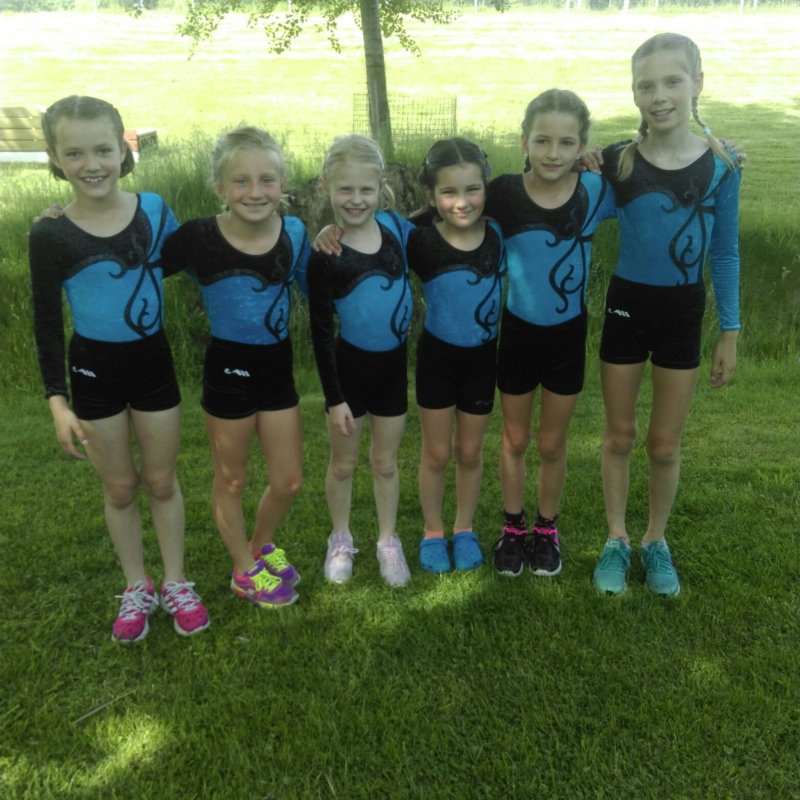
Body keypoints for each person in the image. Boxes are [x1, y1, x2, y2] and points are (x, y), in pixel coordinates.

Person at [28, 96, 209, 642]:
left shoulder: (153, 209)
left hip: (153, 366)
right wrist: (57, 402)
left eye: (103, 150)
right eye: (74, 153)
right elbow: (45, 322)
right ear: (55, 158)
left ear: (123, 148)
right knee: (121, 489)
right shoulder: (50, 234)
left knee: (161, 481)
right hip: (93, 375)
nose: (92, 165)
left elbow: (188, 258)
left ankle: (175, 581)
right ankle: (136, 585)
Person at [590, 33, 741, 596]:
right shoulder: (618, 162)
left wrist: (730, 330)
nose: (659, 96)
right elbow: (573, 211)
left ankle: (656, 540)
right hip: (627, 307)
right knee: (620, 434)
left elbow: (725, 252)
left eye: (672, 82)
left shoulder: (722, 167)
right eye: (646, 85)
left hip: (683, 313)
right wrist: (580, 163)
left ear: (696, 83)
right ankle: (616, 538)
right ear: (634, 93)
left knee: (663, 444)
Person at [161, 127, 309, 609]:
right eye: (240, 181)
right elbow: (138, 260)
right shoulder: (198, 237)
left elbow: (320, 284)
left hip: (277, 371)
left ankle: (259, 546)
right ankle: (244, 572)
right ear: (220, 187)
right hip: (228, 371)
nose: (254, 192)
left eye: (266, 180)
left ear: (282, 184)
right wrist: (65, 223)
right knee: (232, 479)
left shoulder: (294, 233)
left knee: (288, 480)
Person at [487, 89, 616, 579]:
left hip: (567, 337)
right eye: (542, 140)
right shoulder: (502, 192)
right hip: (517, 333)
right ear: (524, 141)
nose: (553, 153)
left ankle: (546, 528)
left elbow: (654, 165)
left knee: (551, 444)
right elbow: (443, 206)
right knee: (515, 438)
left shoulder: (596, 191)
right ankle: (512, 526)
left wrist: (719, 152)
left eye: (566, 143)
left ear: (582, 145)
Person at [307, 135, 415, 587]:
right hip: (348, 377)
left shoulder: (396, 229)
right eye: (345, 189)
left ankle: (388, 539)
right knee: (344, 465)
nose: (356, 199)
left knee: (385, 463)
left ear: (381, 187)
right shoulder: (325, 254)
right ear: (326, 187)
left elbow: (440, 222)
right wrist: (334, 399)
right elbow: (320, 332)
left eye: (366, 189)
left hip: (391, 375)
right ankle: (341, 537)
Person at [409, 138, 507, 573]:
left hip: (482, 361)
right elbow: (370, 237)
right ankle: (433, 531)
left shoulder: (500, 233)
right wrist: (331, 232)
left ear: (486, 188)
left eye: (472, 189)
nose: (462, 202)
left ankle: (463, 528)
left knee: (469, 451)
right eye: (448, 192)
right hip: (436, 360)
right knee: (436, 454)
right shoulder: (419, 241)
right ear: (431, 196)